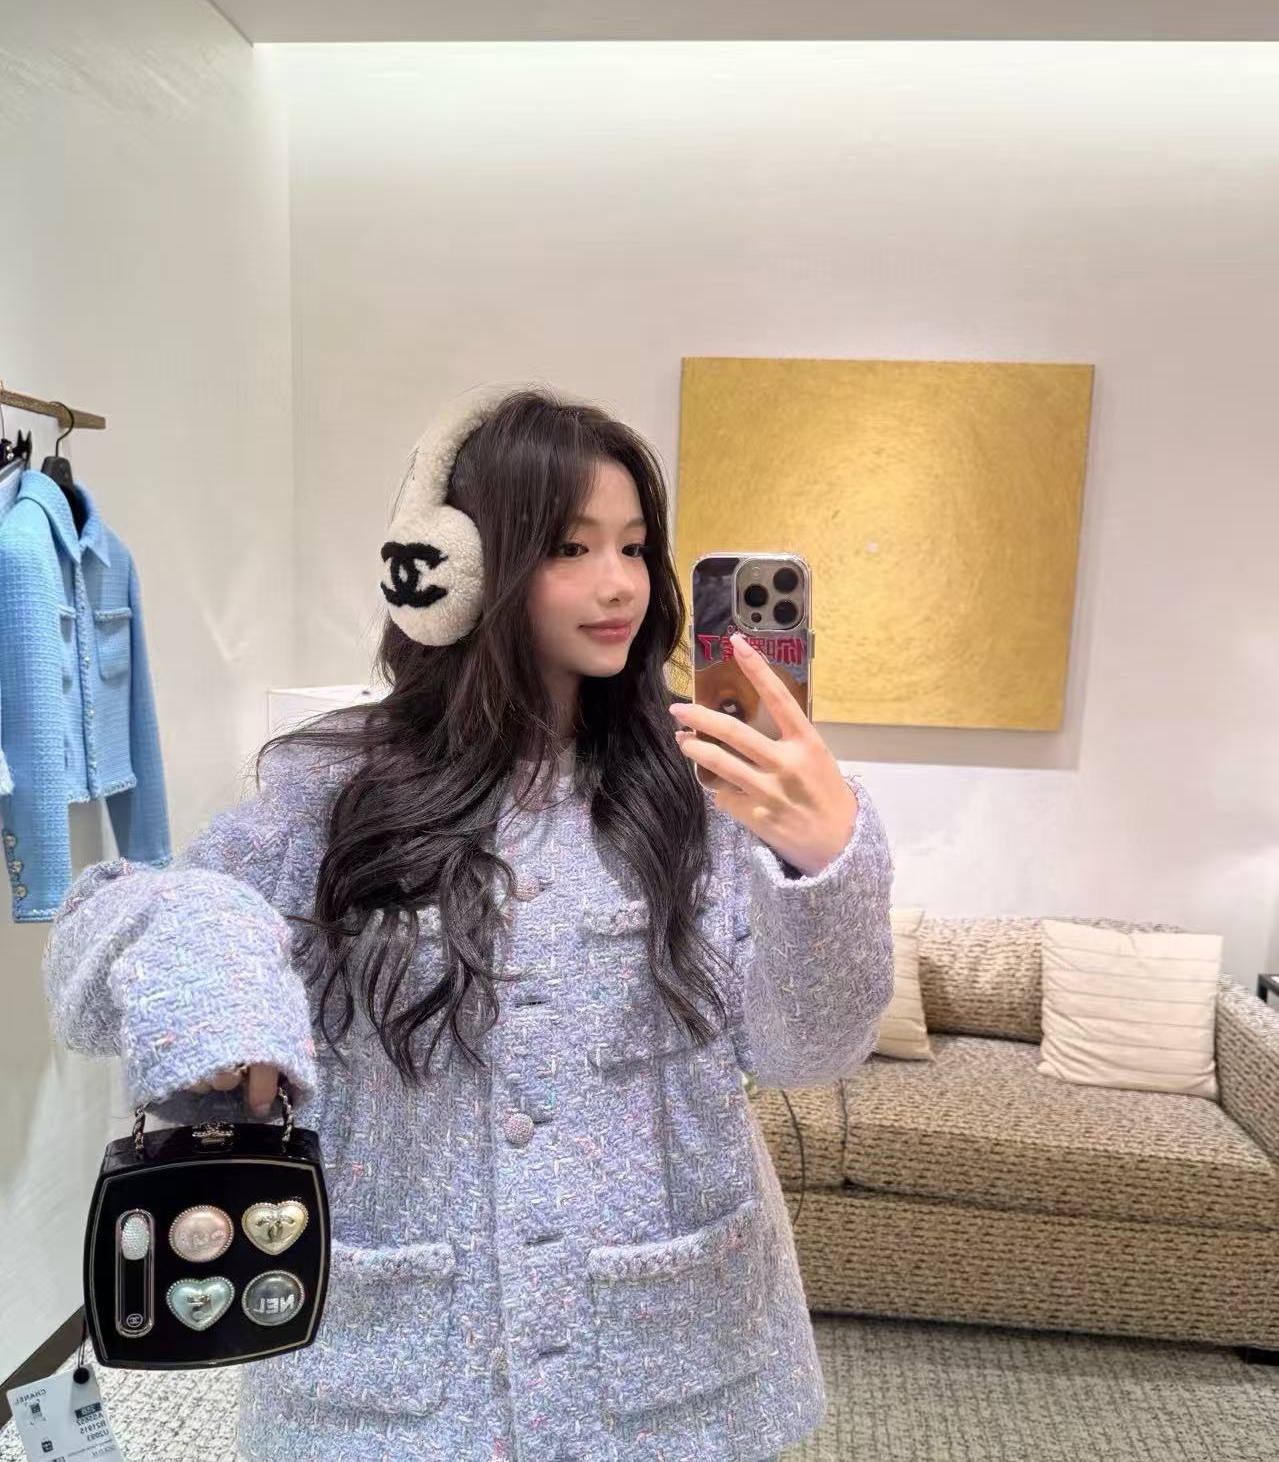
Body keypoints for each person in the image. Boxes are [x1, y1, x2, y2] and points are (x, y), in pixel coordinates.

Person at [43, 384, 895, 1462]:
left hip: (667, 1359)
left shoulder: (700, 791)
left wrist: (826, 859)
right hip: (404, 1374)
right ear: (458, 571)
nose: (619, 583)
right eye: (571, 547)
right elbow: (100, 937)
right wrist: (214, 965)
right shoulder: (337, 787)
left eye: (635, 546)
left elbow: (806, 1050)